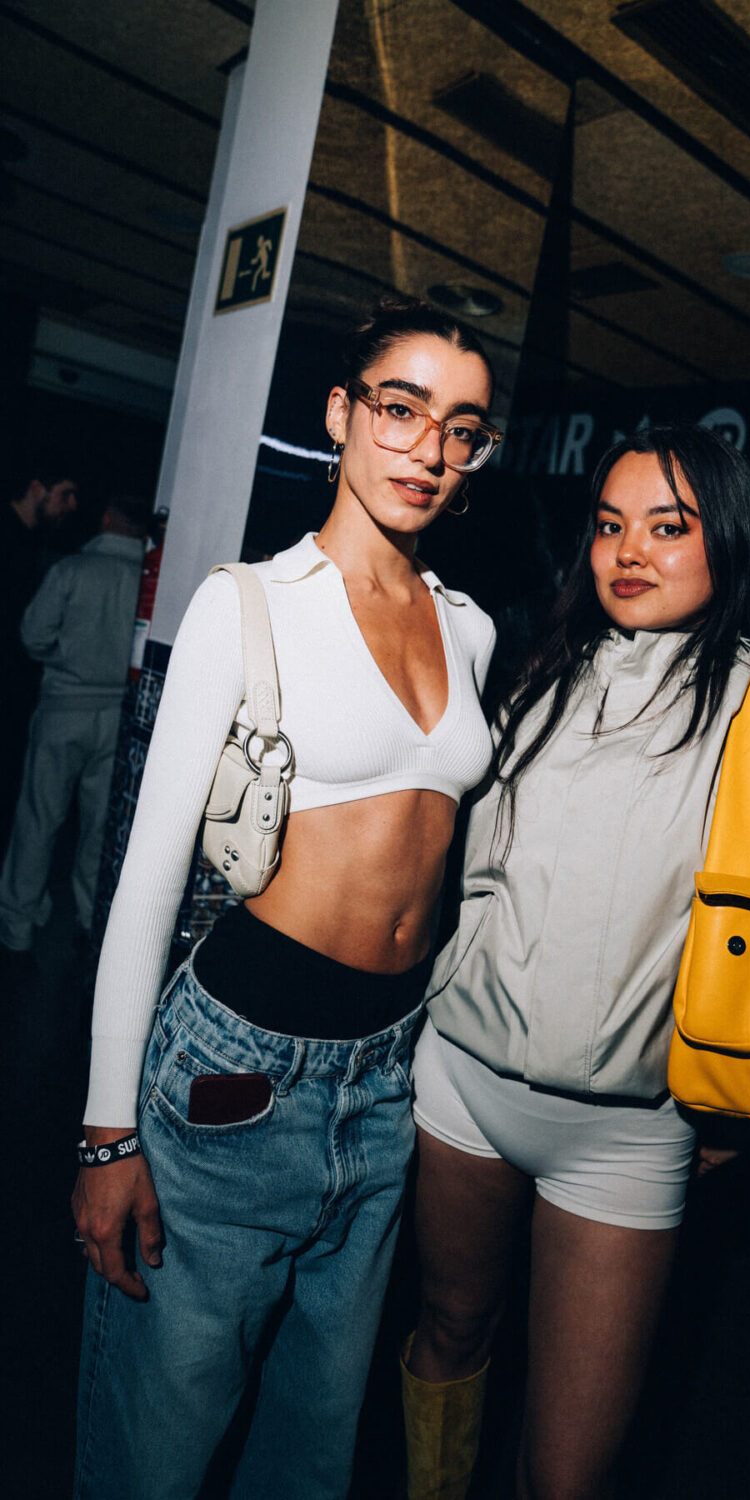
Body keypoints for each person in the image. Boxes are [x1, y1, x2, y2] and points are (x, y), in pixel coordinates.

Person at [402, 425, 750, 1500]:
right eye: (609, 525)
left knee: (569, 1471)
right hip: (462, 1089)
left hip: (629, 1136)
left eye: (668, 527)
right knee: (447, 1328)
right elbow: (473, 878)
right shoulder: (538, 685)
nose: (629, 550)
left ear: (727, 541)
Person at [71, 300, 502, 1500]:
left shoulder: (469, 629)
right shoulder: (248, 603)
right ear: (341, 414)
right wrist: (107, 1134)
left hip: (386, 1079)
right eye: (401, 410)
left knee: (311, 1455)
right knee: (158, 1451)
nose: (429, 449)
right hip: (234, 1075)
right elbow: (148, 882)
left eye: (462, 428)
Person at [0, 496, 150, 966]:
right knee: (99, 829)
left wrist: (64, 662)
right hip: (116, 717)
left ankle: (17, 925)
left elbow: (32, 635)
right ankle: (89, 921)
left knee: (38, 819)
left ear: (106, 517)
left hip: (63, 710)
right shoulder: (147, 580)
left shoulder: (72, 570)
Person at [0, 462, 79, 849]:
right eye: (65, 493)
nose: (72, 505)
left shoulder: (32, 543)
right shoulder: (11, 538)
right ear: (36, 488)